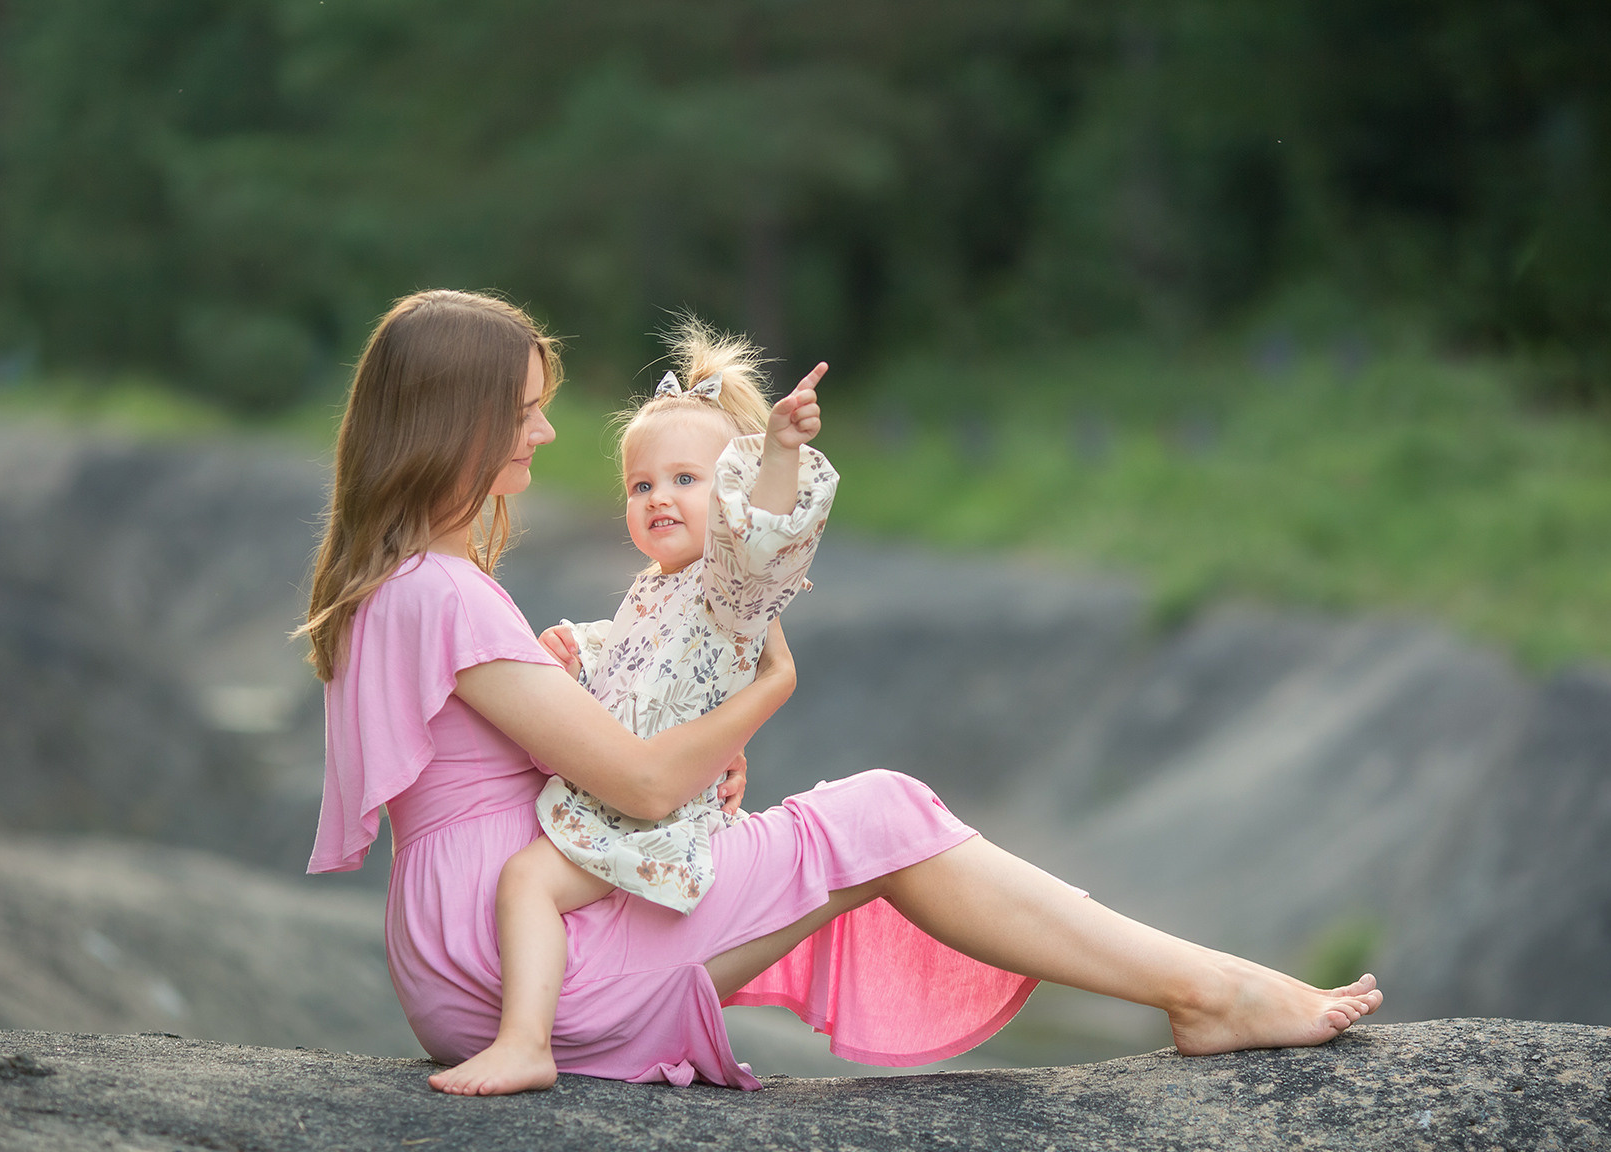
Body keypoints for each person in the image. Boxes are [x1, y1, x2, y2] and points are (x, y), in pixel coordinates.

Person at [303, 288, 1383, 1098]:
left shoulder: (394, 585)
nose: (543, 433)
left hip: (467, 952)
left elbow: (582, 756)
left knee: (850, 823)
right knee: (881, 813)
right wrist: (768, 689)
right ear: (457, 420)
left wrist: (690, 747)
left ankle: (1210, 989)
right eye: (525, 412)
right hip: (516, 966)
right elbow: (639, 784)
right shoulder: (446, 591)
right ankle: (1213, 994)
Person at [439, 317, 839, 1094]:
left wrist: (780, 457)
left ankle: (525, 1043)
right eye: (641, 485)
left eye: (687, 480)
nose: (659, 498)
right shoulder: (658, 587)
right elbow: (637, 663)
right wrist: (578, 652)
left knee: (525, 881)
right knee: (532, 882)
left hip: (650, 813)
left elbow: (763, 540)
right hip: (624, 796)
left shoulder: (729, 587)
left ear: (731, 496)